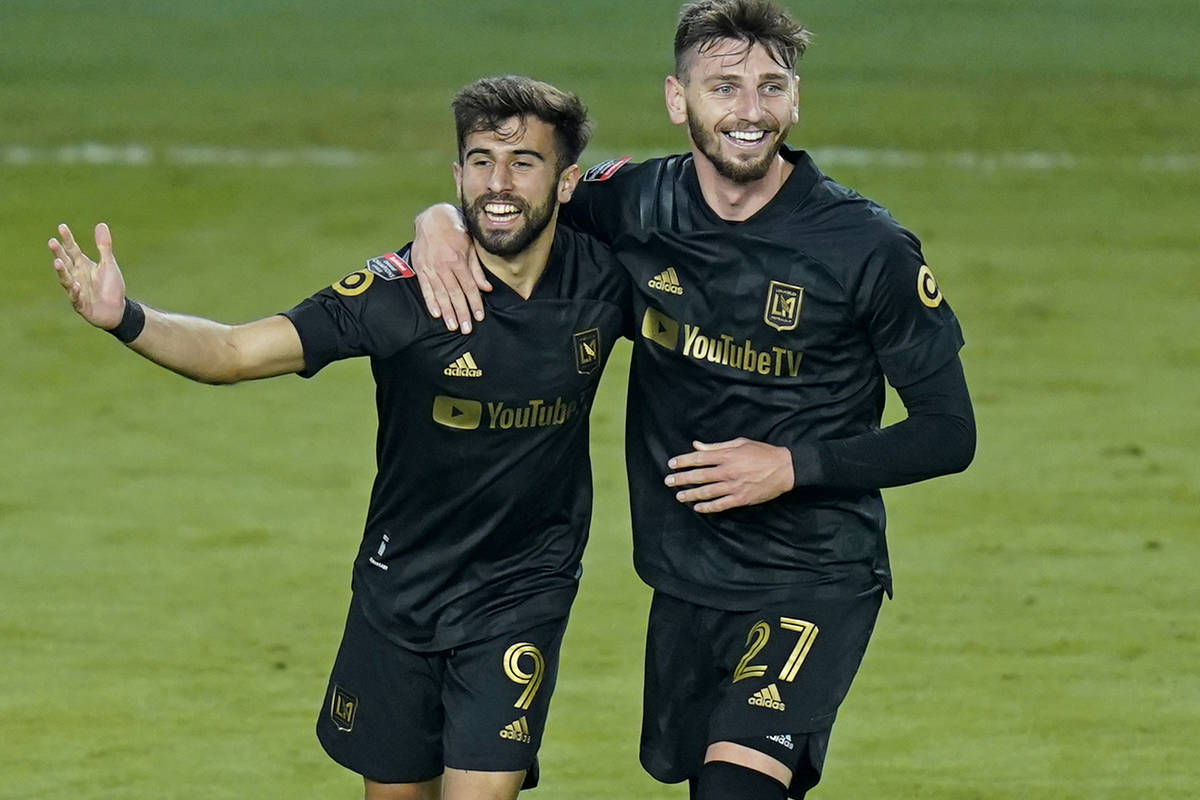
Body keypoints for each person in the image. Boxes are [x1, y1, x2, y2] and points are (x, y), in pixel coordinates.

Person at [410, 1, 976, 798]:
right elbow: (514, 202)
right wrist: (437, 221)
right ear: (679, 100)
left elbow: (950, 432)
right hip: (684, 574)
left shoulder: (867, 247)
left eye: (771, 86)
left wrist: (790, 465)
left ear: (796, 99)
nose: (751, 111)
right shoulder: (636, 203)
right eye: (725, 87)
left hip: (814, 572)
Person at [48, 75, 631, 800]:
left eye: (524, 162)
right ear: (457, 174)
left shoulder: (605, 278)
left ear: (566, 180)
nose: (499, 183)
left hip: (522, 591)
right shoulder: (400, 294)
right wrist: (127, 317)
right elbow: (234, 351)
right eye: (480, 161)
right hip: (400, 591)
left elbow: (707, 210)